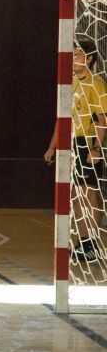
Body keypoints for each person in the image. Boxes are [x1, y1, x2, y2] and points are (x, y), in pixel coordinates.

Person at [44, 39, 106, 263]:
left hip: (87, 144)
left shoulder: (95, 84)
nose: (72, 59)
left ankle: (91, 243)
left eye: (77, 55)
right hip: (71, 143)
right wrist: (53, 146)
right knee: (75, 196)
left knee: (89, 194)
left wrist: (97, 148)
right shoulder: (69, 83)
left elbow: (101, 119)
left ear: (88, 58)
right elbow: (62, 119)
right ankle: (82, 242)